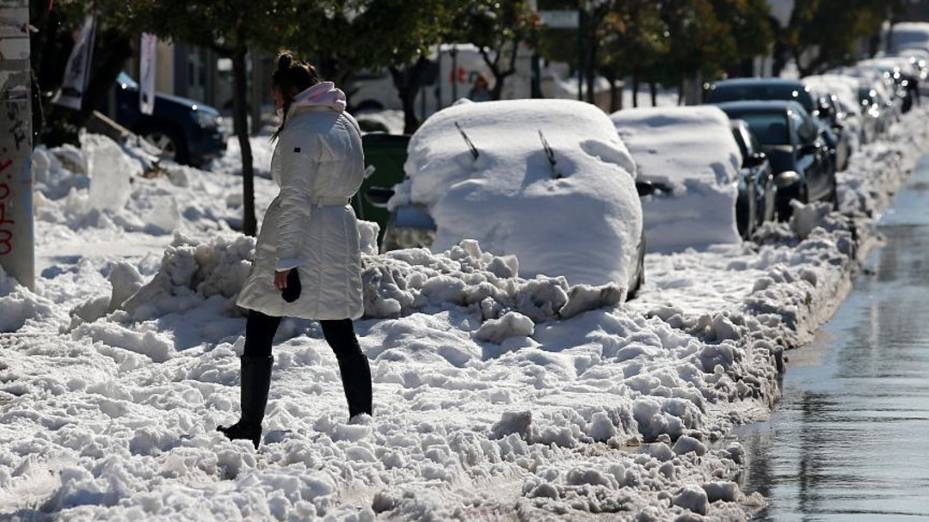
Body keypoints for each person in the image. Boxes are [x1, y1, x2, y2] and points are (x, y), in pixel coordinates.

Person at [218, 51, 372, 449]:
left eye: (275, 97)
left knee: (260, 324)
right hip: (337, 232)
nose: (274, 105)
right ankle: (363, 422)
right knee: (340, 330)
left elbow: (296, 198)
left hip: (305, 236)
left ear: (288, 93)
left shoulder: (302, 131)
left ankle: (249, 425)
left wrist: (286, 260)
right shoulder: (344, 122)